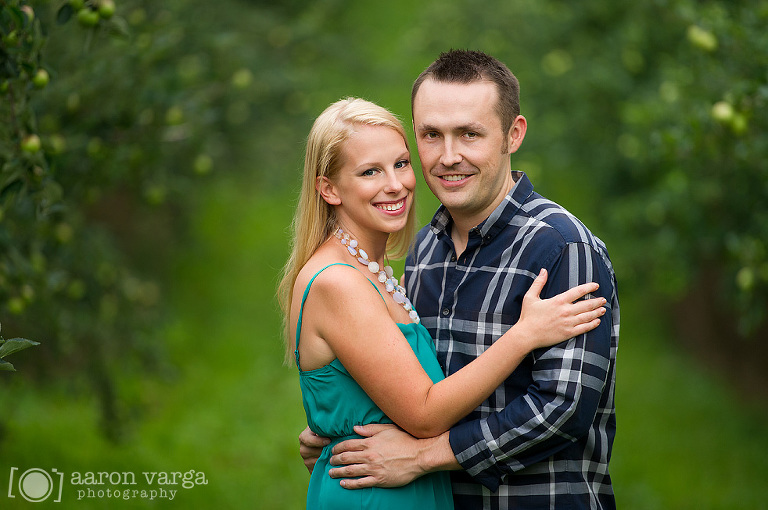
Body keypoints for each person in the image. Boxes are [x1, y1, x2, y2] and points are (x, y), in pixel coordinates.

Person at [300, 50, 621, 509]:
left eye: (469, 134)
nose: (449, 157)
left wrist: (424, 456)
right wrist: (337, 427)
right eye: (432, 135)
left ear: (513, 134)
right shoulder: (425, 251)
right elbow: (409, 377)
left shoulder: (562, 248)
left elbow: (560, 409)